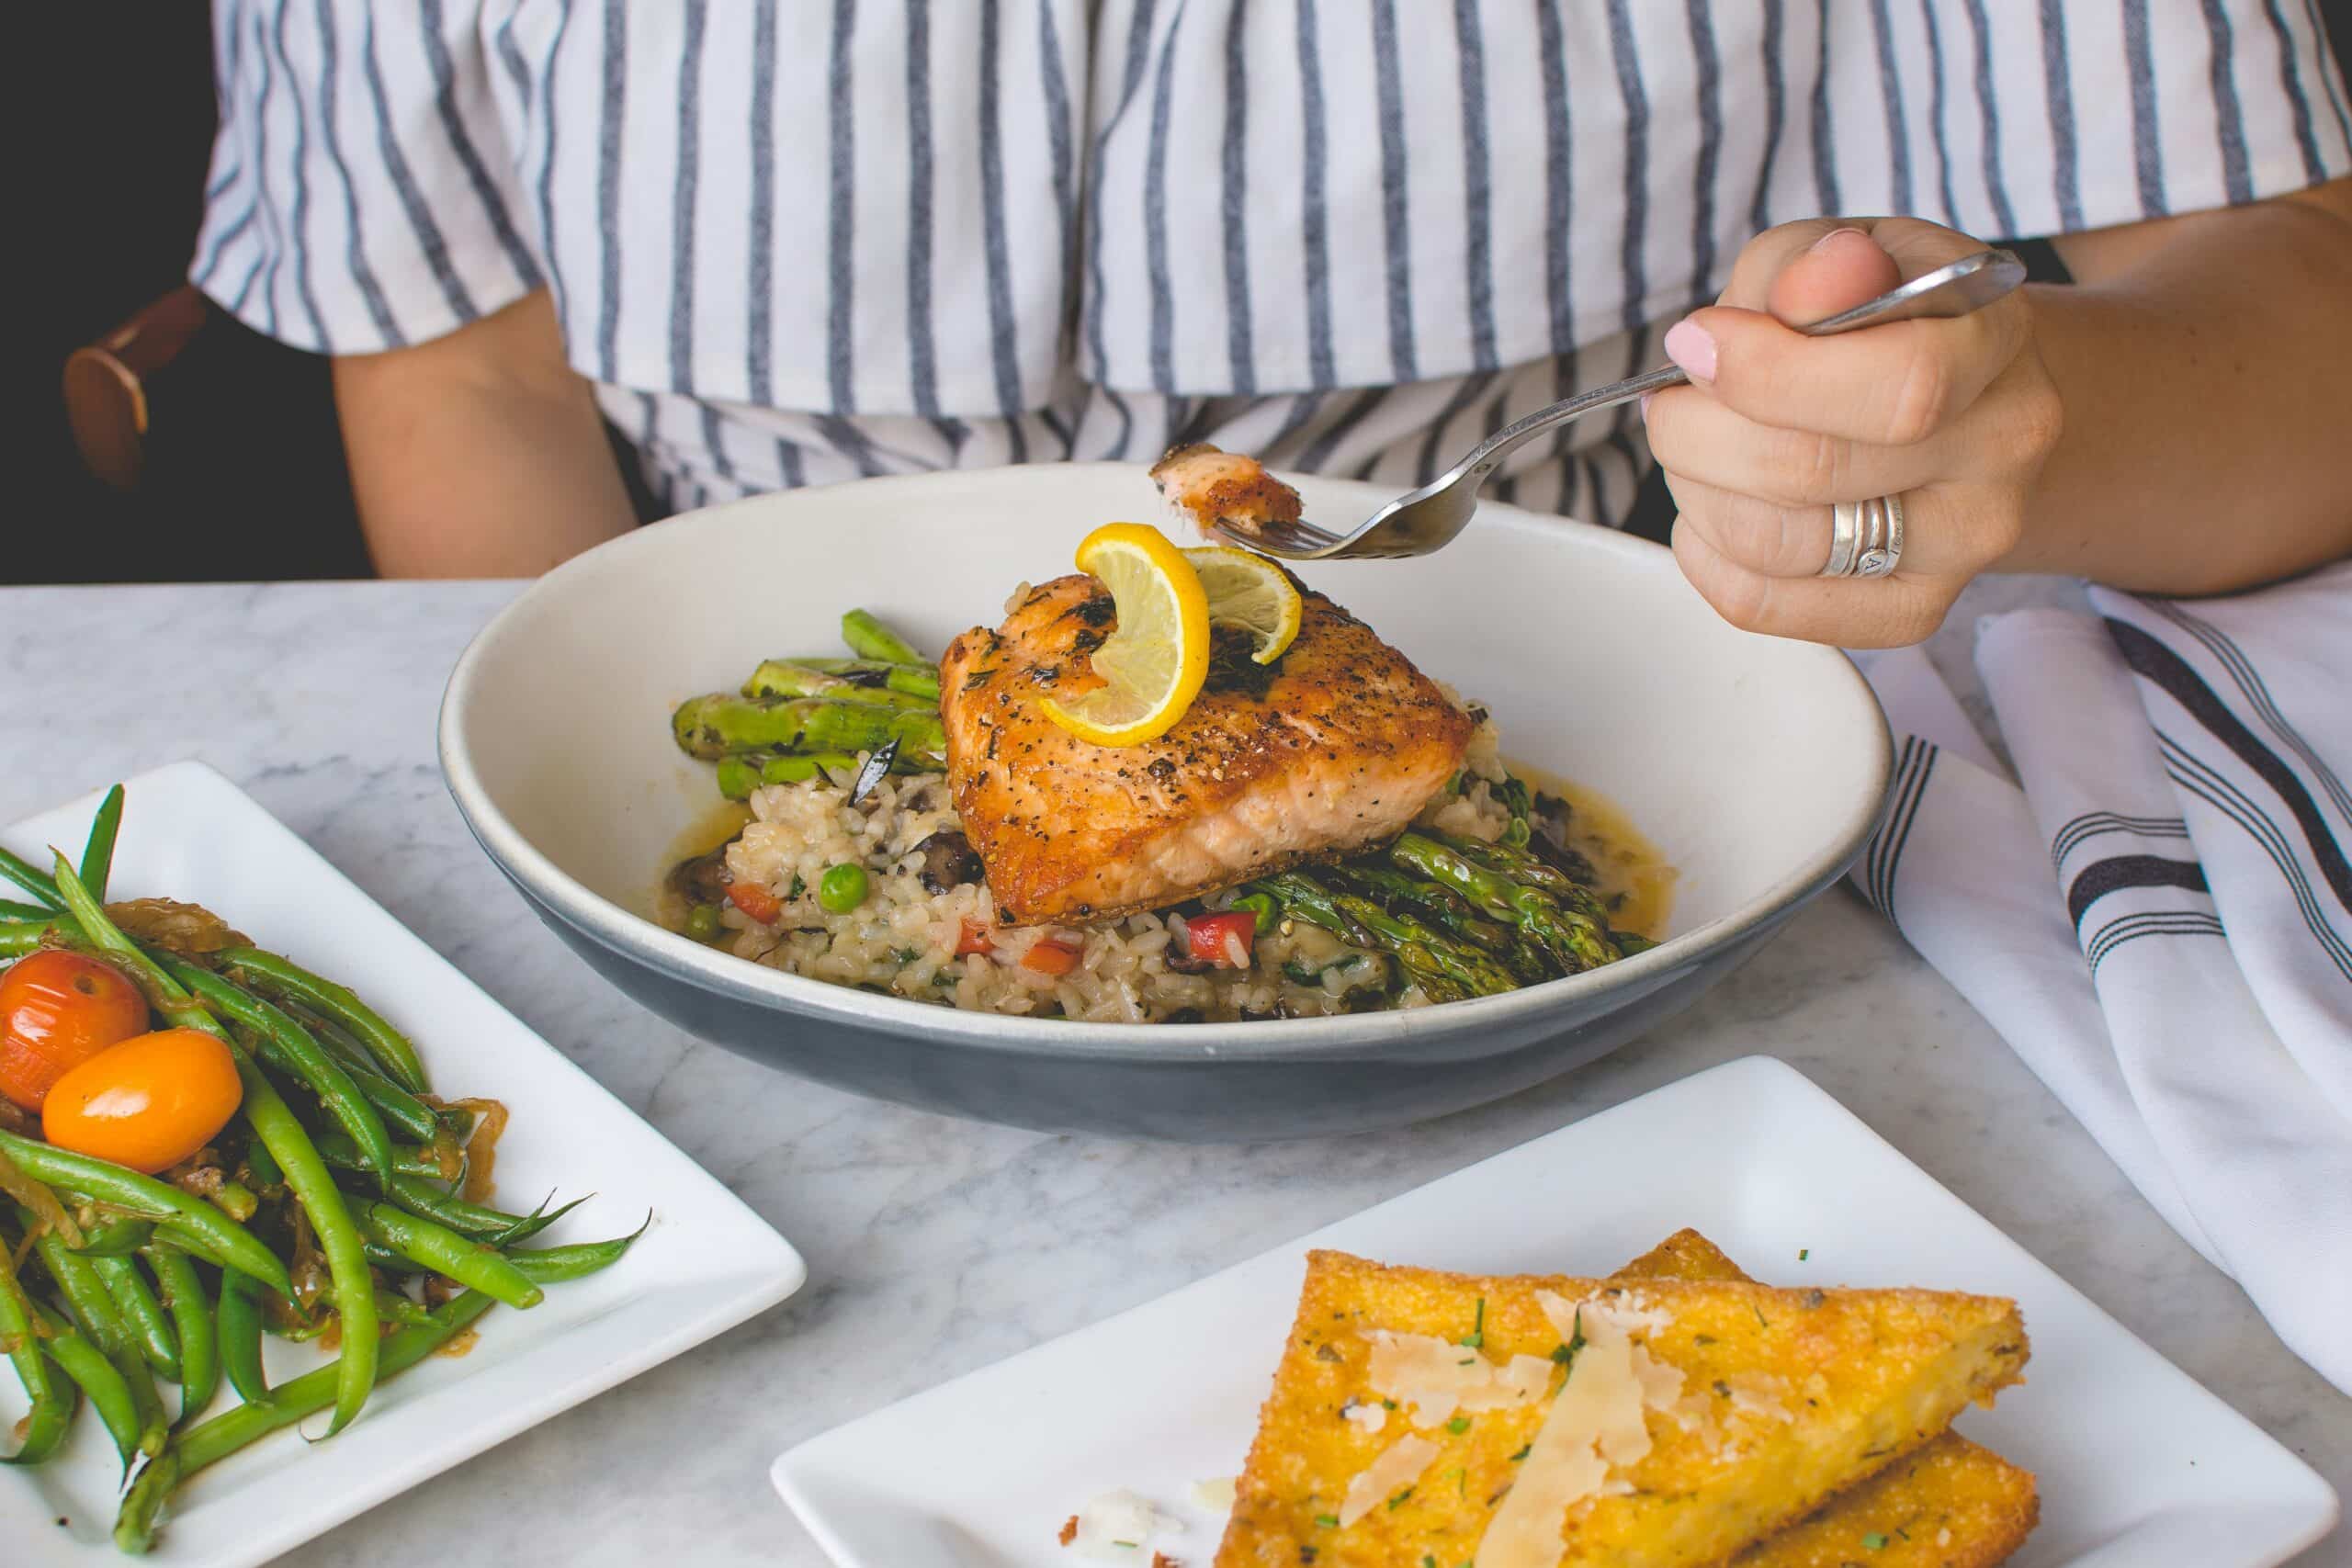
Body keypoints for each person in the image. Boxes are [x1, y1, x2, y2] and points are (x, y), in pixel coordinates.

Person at [193, 3, 2352, 647]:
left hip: (1616, 698)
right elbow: (466, 371)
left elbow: (2296, 320)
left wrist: (2000, 431)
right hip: (754, 726)